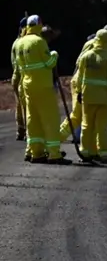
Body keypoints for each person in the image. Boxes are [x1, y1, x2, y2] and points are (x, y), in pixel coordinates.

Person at [12, 15, 70, 164]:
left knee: (33, 120)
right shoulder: (39, 41)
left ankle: (36, 153)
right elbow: (49, 63)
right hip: (43, 86)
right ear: (38, 25)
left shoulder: (19, 43)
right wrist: (54, 54)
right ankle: (54, 154)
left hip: (27, 86)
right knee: (50, 119)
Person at [75, 27, 107, 164]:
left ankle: (86, 153)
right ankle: (105, 154)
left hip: (88, 97)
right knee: (101, 128)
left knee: (86, 126)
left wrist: (79, 91)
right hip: (103, 99)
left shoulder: (85, 57)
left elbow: (79, 78)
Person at [11, 17, 28, 145]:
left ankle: (20, 131)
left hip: (15, 75)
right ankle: (29, 131)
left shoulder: (15, 42)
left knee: (19, 105)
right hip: (22, 75)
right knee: (26, 105)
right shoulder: (23, 43)